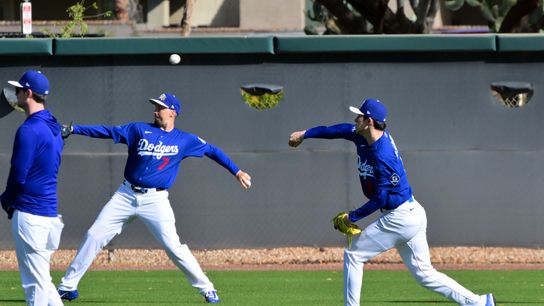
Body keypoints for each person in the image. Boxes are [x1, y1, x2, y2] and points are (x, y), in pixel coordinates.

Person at [288, 98, 495, 306]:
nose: (355, 119)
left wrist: (352, 217)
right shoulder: (362, 135)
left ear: (369, 121)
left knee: (354, 254)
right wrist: (305, 134)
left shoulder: (383, 154)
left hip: (400, 217)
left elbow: (382, 197)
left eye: (359, 116)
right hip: (409, 212)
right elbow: (338, 130)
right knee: (425, 275)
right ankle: (480, 302)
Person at [57, 93, 251, 304]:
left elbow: (212, 151)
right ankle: (68, 286)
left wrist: (237, 171)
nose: (155, 111)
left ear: (173, 112)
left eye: (160, 107)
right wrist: (75, 129)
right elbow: (107, 131)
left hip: (155, 200)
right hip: (125, 195)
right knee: (94, 235)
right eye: (155, 107)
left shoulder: (184, 140)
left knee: (173, 247)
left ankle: (207, 289)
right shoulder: (138, 129)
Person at [1, 70, 65, 306]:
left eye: (18, 89)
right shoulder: (54, 127)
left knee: (34, 285)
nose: (15, 93)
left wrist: (6, 199)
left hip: (31, 215)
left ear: (27, 93)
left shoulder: (29, 130)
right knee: (44, 282)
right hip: (48, 216)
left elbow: (19, 175)